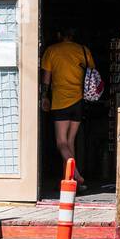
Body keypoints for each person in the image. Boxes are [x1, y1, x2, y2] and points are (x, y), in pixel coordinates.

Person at [40, 27, 94, 187]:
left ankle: (75, 173)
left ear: (59, 34)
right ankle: (69, 180)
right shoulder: (83, 50)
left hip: (60, 101)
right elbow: (91, 71)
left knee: (61, 142)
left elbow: (46, 78)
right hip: (79, 100)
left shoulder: (51, 51)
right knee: (70, 142)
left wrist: (44, 96)